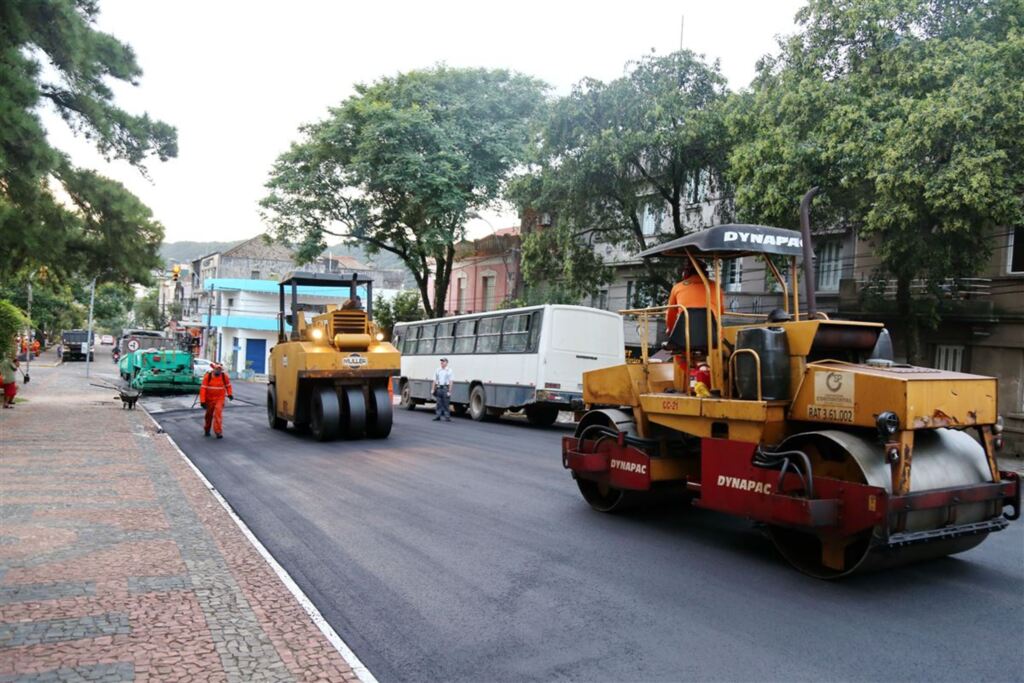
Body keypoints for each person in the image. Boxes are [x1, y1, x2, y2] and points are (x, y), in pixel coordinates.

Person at [199, 361, 234, 438]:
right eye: (217, 369)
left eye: (219, 369)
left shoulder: (224, 376)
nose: (218, 371)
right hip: (209, 399)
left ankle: (218, 432)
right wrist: (202, 401)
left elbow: (228, 386)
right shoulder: (208, 376)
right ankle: (207, 429)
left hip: (219, 399)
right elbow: (203, 389)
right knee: (208, 415)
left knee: (218, 414)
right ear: (213, 369)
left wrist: (230, 394)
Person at [431, 357, 452, 422]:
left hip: (445, 388)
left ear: (446, 363)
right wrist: (432, 389)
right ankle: (438, 416)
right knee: (438, 403)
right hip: (439, 388)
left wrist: (449, 391)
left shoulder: (449, 370)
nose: (442, 362)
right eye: (441, 361)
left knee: (446, 403)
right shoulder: (438, 370)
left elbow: (451, 381)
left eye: (443, 361)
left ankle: (447, 417)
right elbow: (434, 380)